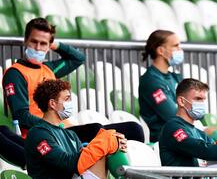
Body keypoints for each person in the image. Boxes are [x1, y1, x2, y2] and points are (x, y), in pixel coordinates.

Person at [1, 18, 143, 167]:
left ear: (49, 46)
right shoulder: (15, 73)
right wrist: (54, 126)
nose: (37, 47)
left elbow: (78, 58)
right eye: (33, 41)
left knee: (134, 129)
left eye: (43, 43)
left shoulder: (49, 69)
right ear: (26, 41)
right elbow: (22, 116)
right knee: (103, 129)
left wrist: (54, 43)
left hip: (65, 130)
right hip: (46, 135)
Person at [25, 79, 127, 179]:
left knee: (109, 147)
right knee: (106, 144)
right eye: (66, 99)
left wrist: (113, 145)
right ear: (52, 104)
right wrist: (105, 142)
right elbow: (67, 163)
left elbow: (83, 162)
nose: (70, 103)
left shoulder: (70, 135)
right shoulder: (37, 134)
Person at [139, 30, 183, 142]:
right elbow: (173, 115)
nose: (180, 50)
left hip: (184, 132)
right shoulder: (151, 80)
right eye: (176, 46)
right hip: (166, 137)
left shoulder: (175, 77)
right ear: (161, 51)